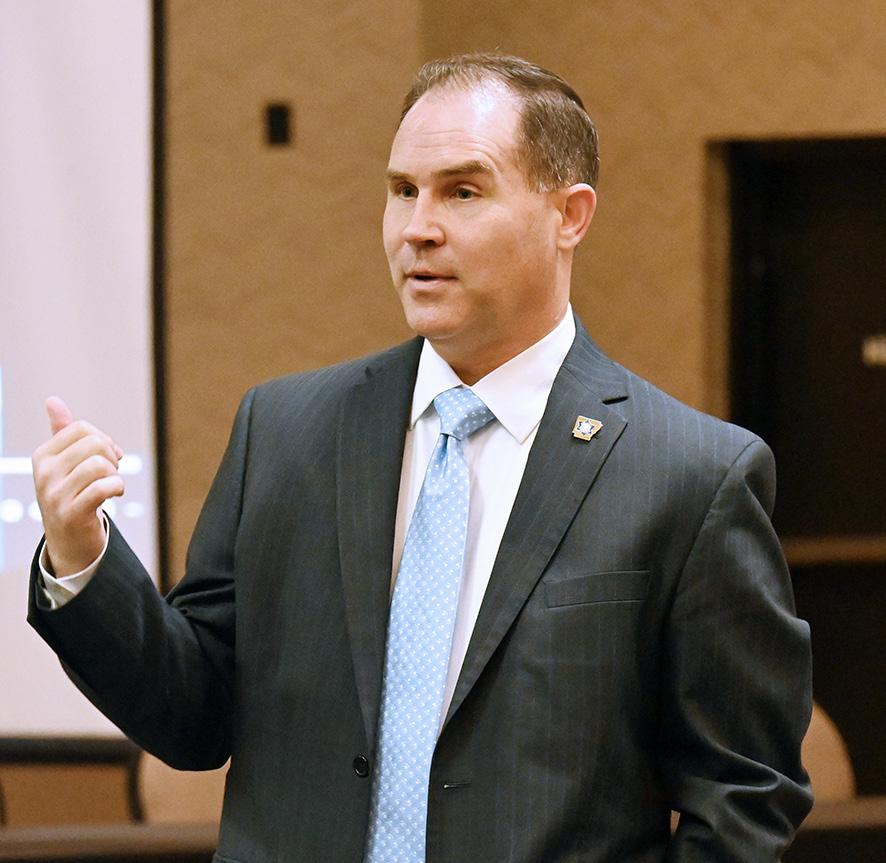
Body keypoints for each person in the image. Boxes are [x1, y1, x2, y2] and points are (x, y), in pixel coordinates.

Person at [29, 53, 813, 862]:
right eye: (403, 190)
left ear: (569, 215)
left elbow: (744, 793)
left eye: (462, 192)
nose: (417, 228)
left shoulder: (690, 475)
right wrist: (82, 557)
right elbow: (191, 716)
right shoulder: (284, 432)